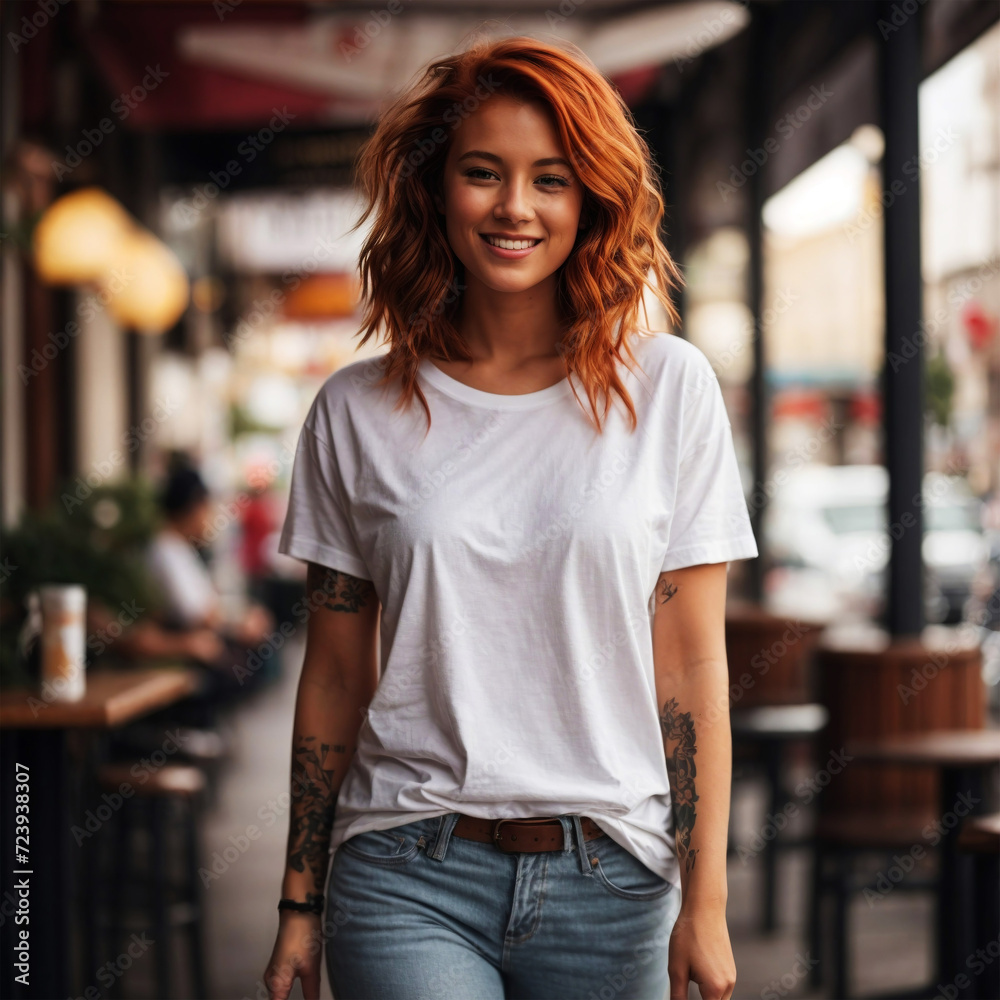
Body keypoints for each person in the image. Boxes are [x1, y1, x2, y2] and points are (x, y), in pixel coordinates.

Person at [264, 34, 757, 1000]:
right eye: (482, 172)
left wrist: (707, 903)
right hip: (406, 875)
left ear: (594, 199)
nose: (515, 207)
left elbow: (692, 667)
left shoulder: (669, 389)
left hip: (612, 880)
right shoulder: (355, 412)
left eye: (552, 178)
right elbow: (331, 676)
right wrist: (298, 906)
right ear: (434, 188)